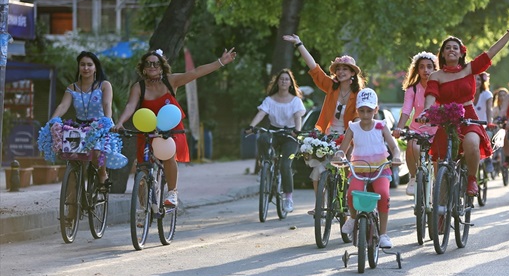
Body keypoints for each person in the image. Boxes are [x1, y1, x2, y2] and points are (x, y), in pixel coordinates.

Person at [113, 48, 237, 207]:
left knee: (168, 154)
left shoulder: (171, 81)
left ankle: (172, 193)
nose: (152, 66)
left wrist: (221, 62)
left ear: (162, 67)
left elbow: (196, 72)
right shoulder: (138, 87)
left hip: (171, 127)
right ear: (143, 68)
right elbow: (130, 106)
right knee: (142, 166)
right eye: (148, 63)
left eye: (156, 64)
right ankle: (143, 210)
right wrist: (120, 122)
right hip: (148, 128)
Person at [421, 16, 509, 196]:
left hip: (468, 115)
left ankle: (471, 180)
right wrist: (426, 111)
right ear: (443, 54)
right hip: (446, 118)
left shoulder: (469, 69)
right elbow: (430, 96)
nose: (451, 50)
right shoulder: (436, 76)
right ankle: (440, 210)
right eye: (447, 48)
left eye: (455, 47)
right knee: (441, 164)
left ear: (461, 53)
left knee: (471, 142)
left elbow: (491, 52)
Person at [282, 34, 365, 197]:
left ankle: (348, 198)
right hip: (328, 133)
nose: (341, 72)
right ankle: (320, 204)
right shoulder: (331, 87)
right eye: (338, 69)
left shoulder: (359, 94)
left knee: (349, 161)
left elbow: (357, 118)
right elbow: (314, 68)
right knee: (318, 168)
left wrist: (350, 139)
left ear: (353, 73)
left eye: (345, 69)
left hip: (350, 134)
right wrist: (299, 44)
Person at [338, 88, 402, 248]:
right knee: (352, 193)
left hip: (380, 168)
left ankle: (383, 234)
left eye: (369, 110)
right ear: (357, 110)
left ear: (376, 109)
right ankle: (353, 218)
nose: (365, 115)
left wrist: (396, 156)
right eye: (362, 110)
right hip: (359, 169)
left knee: (383, 194)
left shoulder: (381, 126)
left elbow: (394, 147)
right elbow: (343, 149)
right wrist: (339, 156)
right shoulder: (353, 127)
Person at [50, 51, 114, 187]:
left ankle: (102, 174)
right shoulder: (72, 87)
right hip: (79, 127)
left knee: (97, 152)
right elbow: (63, 105)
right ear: (78, 67)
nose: (86, 68)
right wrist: (53, 120)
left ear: (95, 67)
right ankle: (75, 191)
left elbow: (107, 104)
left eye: (89, 65)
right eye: (82, 65)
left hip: (99, 125)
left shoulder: (104, 85)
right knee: (72, 156)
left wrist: (107, 121)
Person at [246, 69, 306, 212]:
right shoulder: (270, 100)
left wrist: (297, 131)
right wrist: (251, 126)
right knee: (262, 138)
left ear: (291, 83)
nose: (284, 81)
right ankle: (265, 166)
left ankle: (288, 198)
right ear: (277, 82)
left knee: (286, 164)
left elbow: (298, 117)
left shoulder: (295, 101)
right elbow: (261, 114)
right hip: (274, 131)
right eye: (281, 79)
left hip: (290, 135)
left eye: (287, 79)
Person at [391, 51, 438, 196]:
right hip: (418, 129)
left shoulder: (440, 86)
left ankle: (439, 183)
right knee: (412, 146)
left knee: (439, 158)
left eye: (429, 67)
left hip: (437, 130)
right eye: (422, 67)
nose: (426, 70)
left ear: (435, 69)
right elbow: (406, 110)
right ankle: (413, 177)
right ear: (417, 70)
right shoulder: (413, 89)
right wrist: (399, 127)